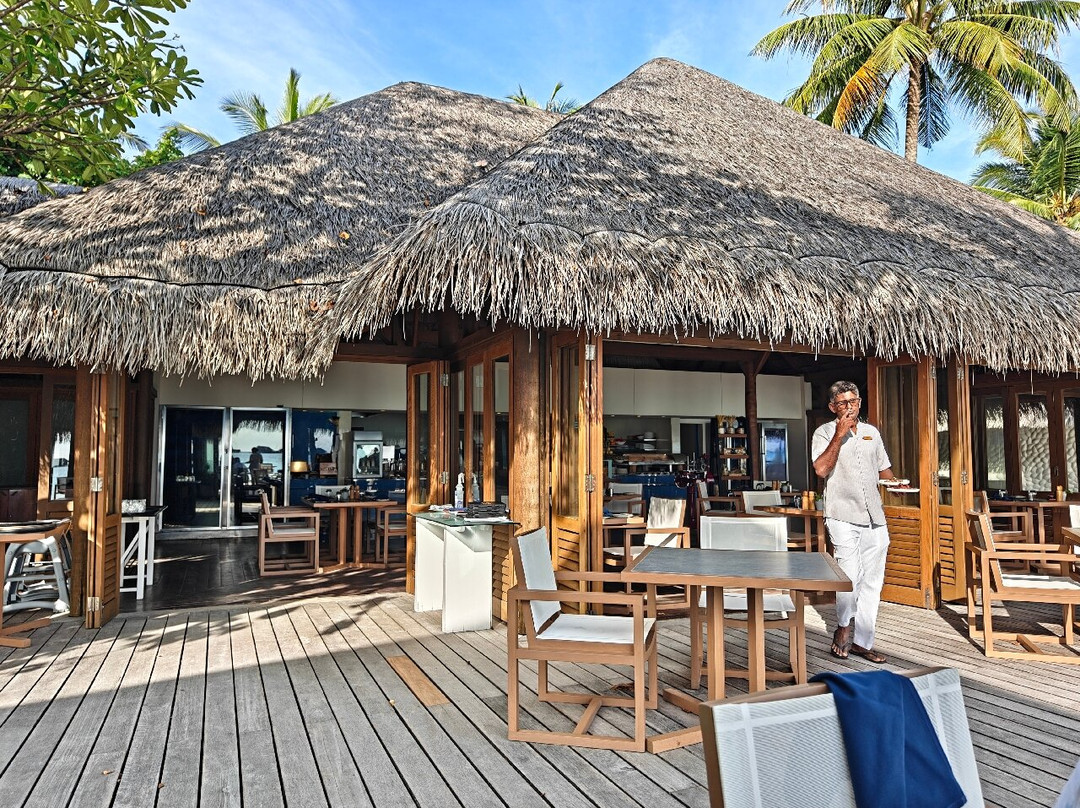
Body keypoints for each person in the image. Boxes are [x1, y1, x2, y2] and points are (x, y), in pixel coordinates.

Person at [811, 380, 898, 664]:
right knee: (849, 576)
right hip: (842, 515)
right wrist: (840, 434)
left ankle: (863, 641)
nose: (849, 407)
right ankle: (843, 626)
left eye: (853, 401)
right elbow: (821, 469)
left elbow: (884, 470)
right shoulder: (824, 432)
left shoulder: (872, 433)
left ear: (860, 402)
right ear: (832, 407)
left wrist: (898, 484)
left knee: (873, 581)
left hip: (875, 516)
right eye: (843, 403)